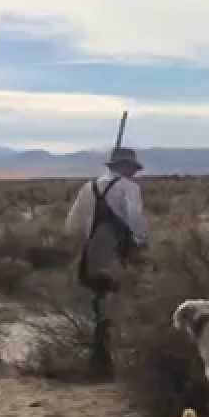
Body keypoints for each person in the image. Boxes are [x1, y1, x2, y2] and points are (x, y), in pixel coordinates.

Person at [64, 146, 149, 375]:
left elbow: (72, 226)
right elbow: (136, 222)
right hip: (120, 256)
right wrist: (142, 246)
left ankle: (100, 359)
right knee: (122, 303)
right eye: (132, 168)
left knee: (101, 304)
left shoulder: (88, 187)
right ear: (126, 167)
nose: (133, 173)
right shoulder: (129, 188)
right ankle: (115, 361)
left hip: (93, 254)